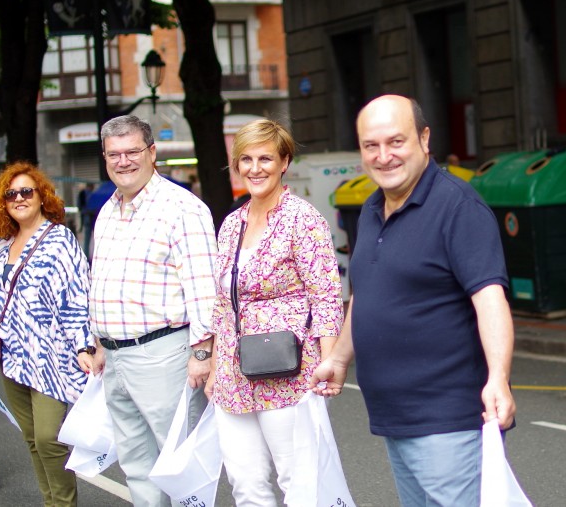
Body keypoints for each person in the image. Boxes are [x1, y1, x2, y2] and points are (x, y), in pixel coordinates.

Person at [312, 95, 516, 506]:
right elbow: (367, 296)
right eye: (371, 146)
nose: (383, 156)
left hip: (447, 419)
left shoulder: (458, 207)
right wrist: (337, 358)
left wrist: (499, 376)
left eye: (395, 142)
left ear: (424, 139)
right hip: (394, 416)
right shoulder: (371, 210)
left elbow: (490, 298)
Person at [204, 120, 343, 505]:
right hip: (234, 373)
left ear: (284, 162)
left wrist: (329, 361)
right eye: (245, 159)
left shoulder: (303, 218)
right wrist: (216, 364)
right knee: (246, 486)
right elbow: (221, 302)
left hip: (287, 370)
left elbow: (327, 296)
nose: (255, 167)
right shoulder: (232, 225)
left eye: (265, 158)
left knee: (298, 482)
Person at [84, 114, 218, 507]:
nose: (123, 161)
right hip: (117, 357)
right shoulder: (108, 210)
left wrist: (202, 355)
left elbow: (204, 291)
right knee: (137, 466)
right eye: (114, 154)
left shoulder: (182, 208)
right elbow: (104, 282)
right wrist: (102, 344)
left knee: (179, 464)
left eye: (132, 152)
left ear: (152, 152)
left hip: (166, 357)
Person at [0, 162, 92, 507]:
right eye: (11, 194)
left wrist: (83, 343)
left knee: (49, 437)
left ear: (42, 197)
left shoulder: (59, 238)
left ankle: (63, 503)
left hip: (50, 354)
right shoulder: (5, 242)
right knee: (31, 438)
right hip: (12, 354)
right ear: (2, 202)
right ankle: (49, 501)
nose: (19, 198)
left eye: (27, 191)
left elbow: (76, 295)